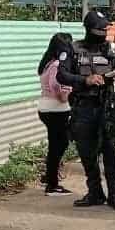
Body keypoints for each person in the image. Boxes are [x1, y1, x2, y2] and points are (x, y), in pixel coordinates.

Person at [58, 11, 115, 211]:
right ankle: (95, 193)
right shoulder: (73, 49)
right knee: (87, 154)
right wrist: (85, 80)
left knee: (112, 152)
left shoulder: (112, 49)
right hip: (83, 109)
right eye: (99, 29)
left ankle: (114, 195)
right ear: (88, 29)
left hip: (107, 109)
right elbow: (61, 75)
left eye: (105, 29)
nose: (103, 32)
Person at [38, 32, 76, 196]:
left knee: (57, 144)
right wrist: (67, 93)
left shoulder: (47, 63)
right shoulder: (56, 66)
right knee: (58, 146)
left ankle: (50, 176)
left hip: (46, 108)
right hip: (56, 110)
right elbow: (58, 88)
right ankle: (52, 185)